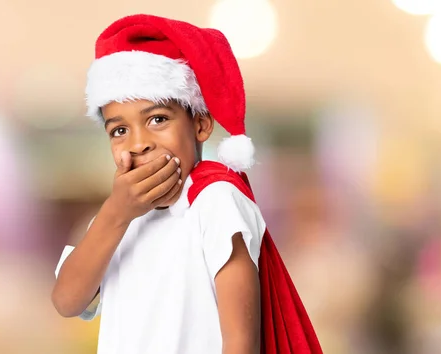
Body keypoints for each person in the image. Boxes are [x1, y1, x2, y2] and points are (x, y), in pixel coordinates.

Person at [52, 14, 322, 354]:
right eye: (119, 130)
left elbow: (240, 340)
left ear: (201, 125)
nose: (138, 143)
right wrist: (116, 215)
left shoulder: (215, 200)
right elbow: (67, 301)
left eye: (157, 119)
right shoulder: (116, 220)